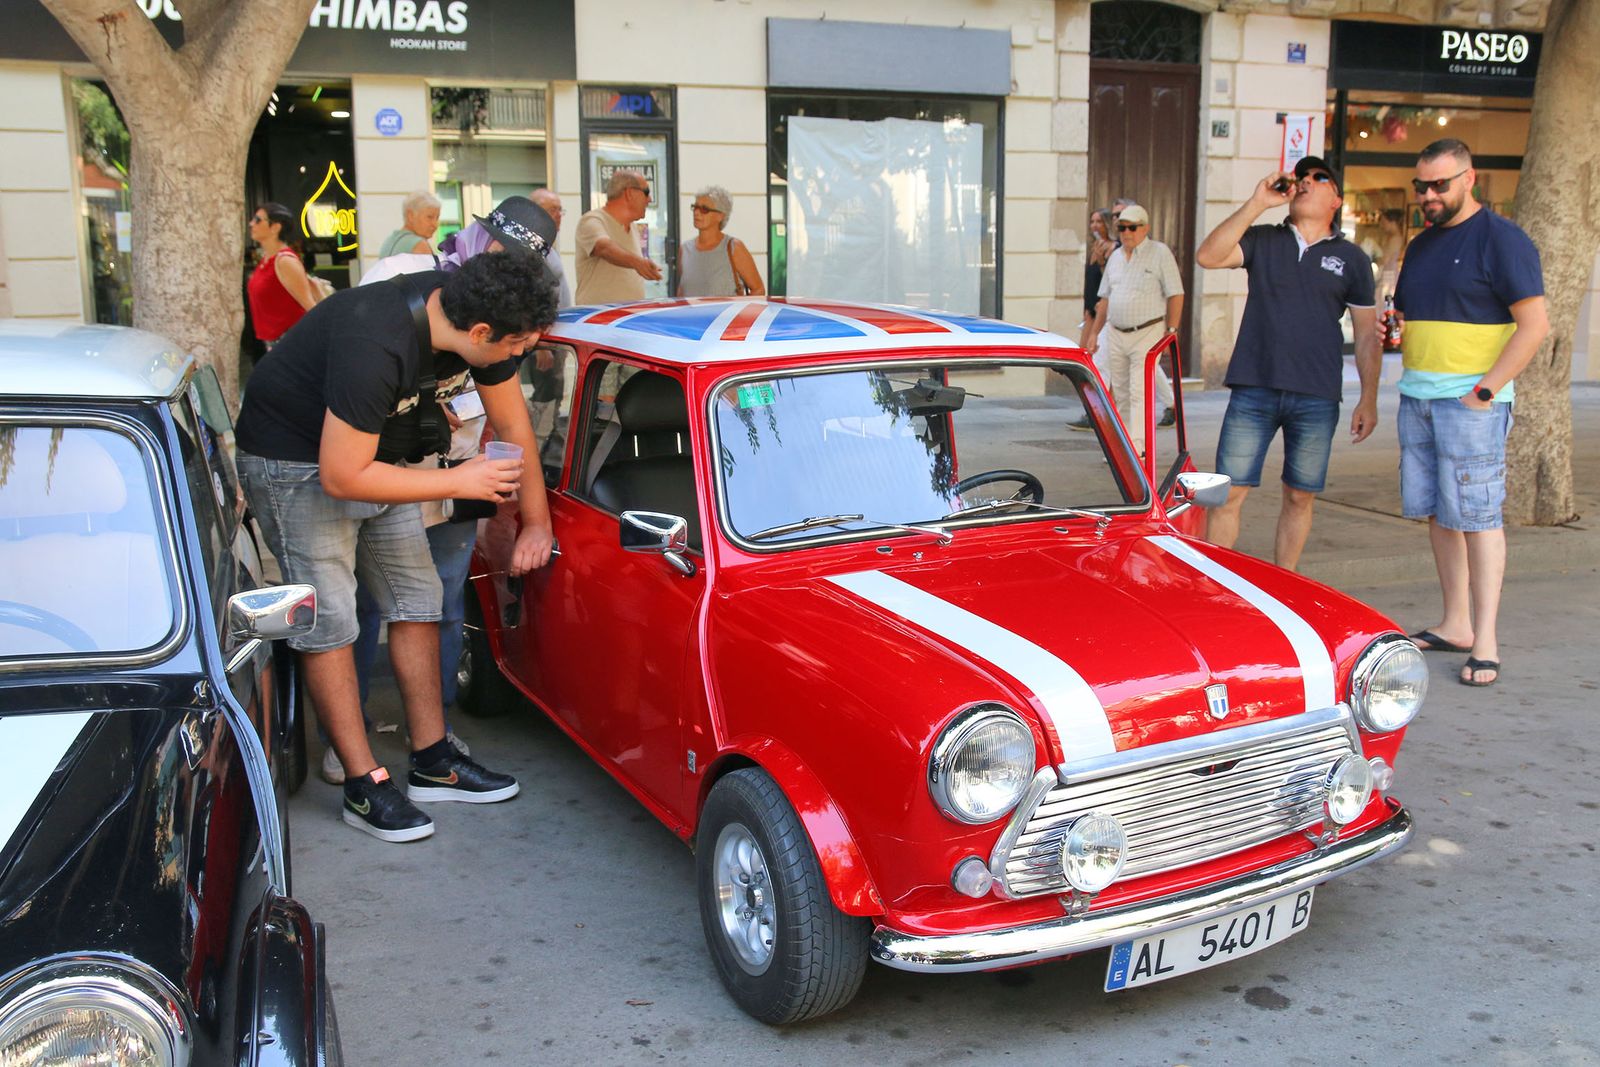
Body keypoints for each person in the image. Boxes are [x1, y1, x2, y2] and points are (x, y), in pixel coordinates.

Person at [234, 252, 560, 842]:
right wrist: (457, 482)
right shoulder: (376, 341)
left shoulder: (475, 316)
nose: (519, 357)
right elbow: (339, 476)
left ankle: (433, 760)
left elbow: (515, 431)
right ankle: (364, 783)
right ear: (482, 334)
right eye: (516, 346)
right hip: (294, 461)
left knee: (417, 595)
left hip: (372, 455)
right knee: (331, 618)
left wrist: (537, 523)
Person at [321, 196, 559, 786]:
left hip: (458, 465)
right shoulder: (403, 280)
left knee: (441, 595)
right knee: (358, 605)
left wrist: (539, 520)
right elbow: (351, 377)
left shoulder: (505, 321)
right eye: (504, 253)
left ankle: (431, 735)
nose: (507, 268)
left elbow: (513, 420)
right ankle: (344, 741)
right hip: (377, 463)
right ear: (484, 239)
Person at [1385, 138, 1548, 688]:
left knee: (1478, 518)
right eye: (1421, 186)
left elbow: (1535, 325)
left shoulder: (1503, 240)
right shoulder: (1423, 244)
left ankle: (1486, 640)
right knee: (1438, 512)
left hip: (1470, 403)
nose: (1428, 195)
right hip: (1420, 397)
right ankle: (1455, 623)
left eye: (1439, 185)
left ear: (1469, 178)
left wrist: (1485, 390)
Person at [1196, 156, 1381, 573]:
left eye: (1319, 177)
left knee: (1300, 495)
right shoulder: (1264, 239)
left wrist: (1368, 398)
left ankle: (1286, 582)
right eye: (1302, 176)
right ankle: (1215, 585)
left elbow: (1367, 334)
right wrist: (1258, 202)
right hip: (1254, 386)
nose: (1306, 182)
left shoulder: (1350, 258)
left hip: (1316, 393)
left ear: (1336, 198)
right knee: (1230, 493)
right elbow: (1208, 256)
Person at [1084, 204, 1183, 455]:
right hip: (1116, 331)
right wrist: (1095, 332)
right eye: (1122, 227)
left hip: (1147, 330)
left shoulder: (1159, 253)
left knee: (1139, 388)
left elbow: (1176, 293)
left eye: (1132, 227)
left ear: (1145, 228)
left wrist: (1171, 329)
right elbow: (1104, 298)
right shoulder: (1116, 256)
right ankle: (1126, 445)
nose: (1126, 232)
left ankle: (1138, 447)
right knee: (1121, 389)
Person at [574, 169, 662, 304]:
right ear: (629, 193)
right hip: (599, 321)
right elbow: (604, 248)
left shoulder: (632, 227)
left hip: (626, 319)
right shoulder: (592, 221)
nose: (649, 199)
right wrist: (637, 263)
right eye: (646, 193)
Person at [247, 202, 321, 348]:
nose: (251, 224)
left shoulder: (285, 261)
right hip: (275, 344)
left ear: (275, 227)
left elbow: (310, 306)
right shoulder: (266, 260)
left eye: (257, 220)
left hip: (292, 344)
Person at [678, 185, 764, 297]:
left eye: (704, 209)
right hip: (690, 315)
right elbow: (681, 292)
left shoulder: (734, 248)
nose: (696, 212)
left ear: (720, 216)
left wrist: (738, 312)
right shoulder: (684, 250)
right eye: (695, 207)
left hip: (726, 315)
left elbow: (758, 290)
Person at [531, 188, 573, 309]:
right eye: (553, 210)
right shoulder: (530, 248)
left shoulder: (548, 247)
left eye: (560, 210)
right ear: (536, 213)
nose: (559, 215)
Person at [376, 191, 442, 257]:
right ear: (410, 215)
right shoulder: (419, 244)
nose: (435, 224)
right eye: (429, 217)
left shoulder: (389, 242)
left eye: (437, 218)